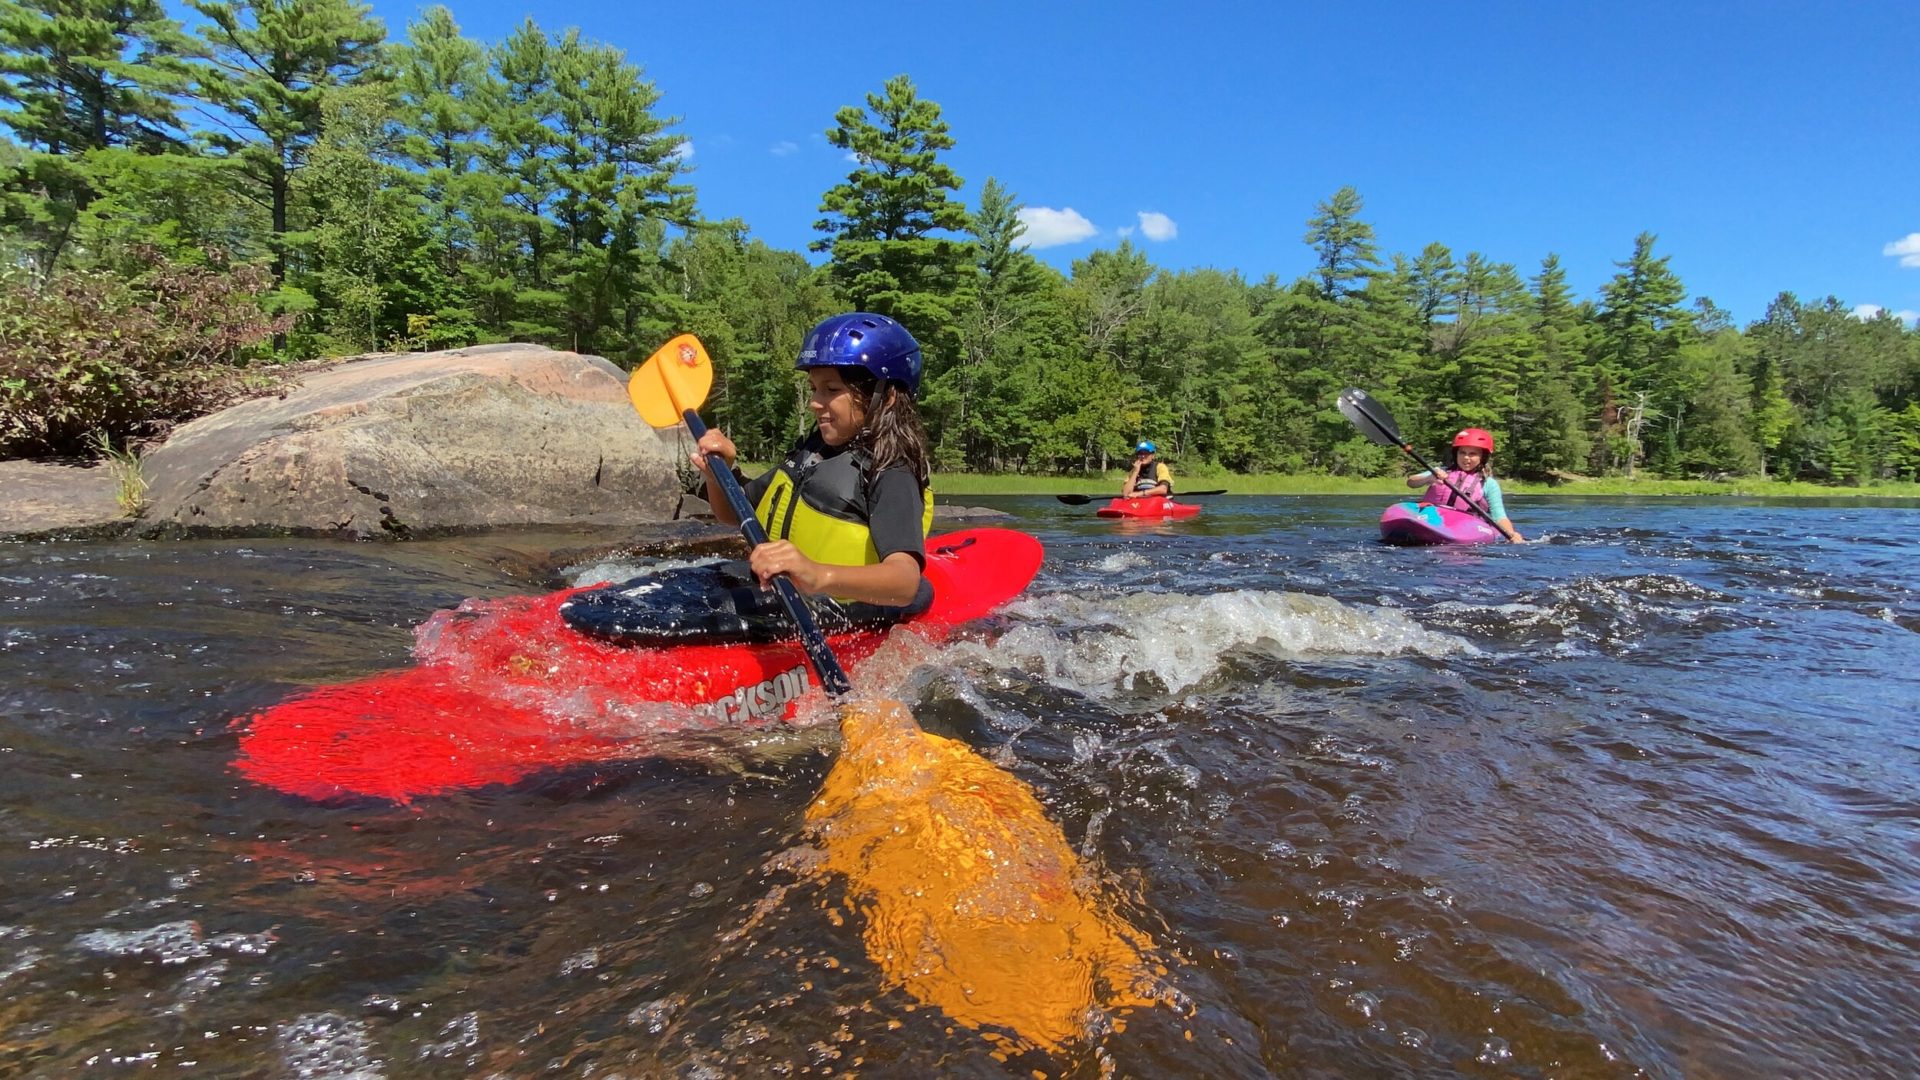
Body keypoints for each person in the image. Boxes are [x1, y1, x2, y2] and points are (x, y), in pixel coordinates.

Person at [1406, 427, 1526, 542]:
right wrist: (1429, 477)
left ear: (1482, 457)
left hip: (1464, 525)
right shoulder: (1440, 472)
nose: (1466, 458)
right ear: (1456, 454)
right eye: (1462, 453)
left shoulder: (1488, 483)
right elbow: (1411, 482)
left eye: (1472, 454)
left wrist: (1511, 534)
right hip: (1432, 518)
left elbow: (1499, 516)